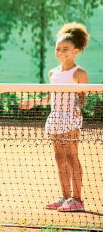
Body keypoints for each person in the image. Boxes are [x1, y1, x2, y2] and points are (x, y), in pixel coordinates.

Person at [18, 22, 89, 212]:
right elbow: (52, 97)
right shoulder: (53, 73)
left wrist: (77, 107)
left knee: (71, 156)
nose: (60, 52)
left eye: (65, 49)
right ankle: (65, 197)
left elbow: (83, 99)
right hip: (55, 118)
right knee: (59, 158)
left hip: (71, 120)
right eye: (58, 49)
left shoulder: (79, 73)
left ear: (76, 50)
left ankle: (77, 200)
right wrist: (33, 102)